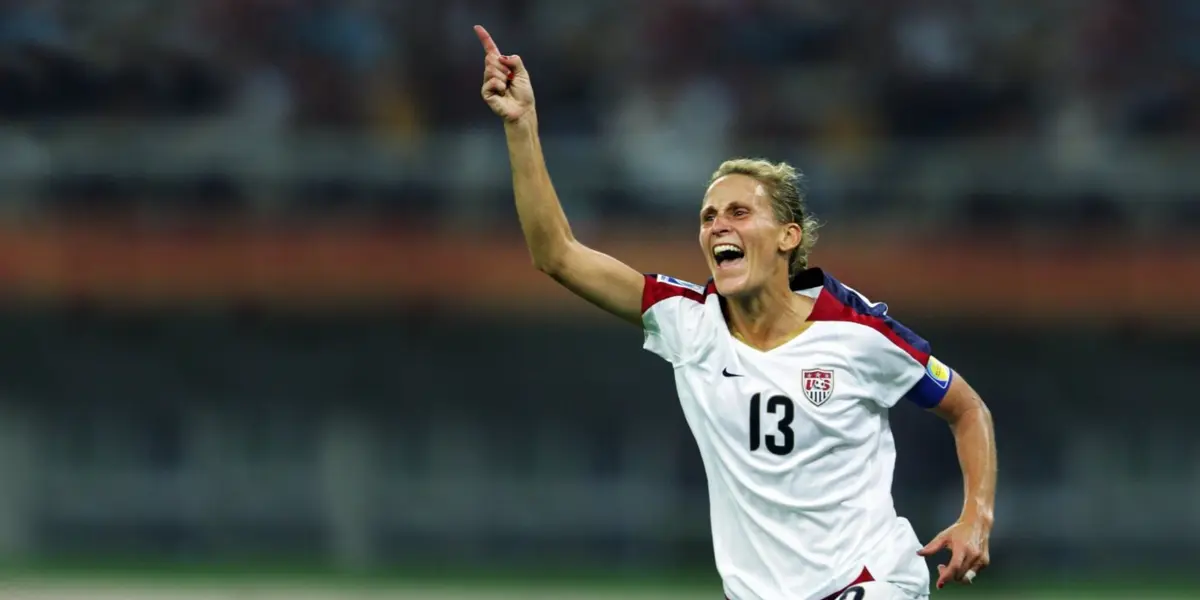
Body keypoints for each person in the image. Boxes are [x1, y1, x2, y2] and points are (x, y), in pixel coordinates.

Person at [474, 25, 997, 600]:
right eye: (708, 216)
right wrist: (521, 124)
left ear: (788, 237)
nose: (718, 225)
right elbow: (557, 255)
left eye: (739, 212)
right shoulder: (689, 322)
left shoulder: (857, 331)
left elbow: (966, 407)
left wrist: (976, 515)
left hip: (869, 581)